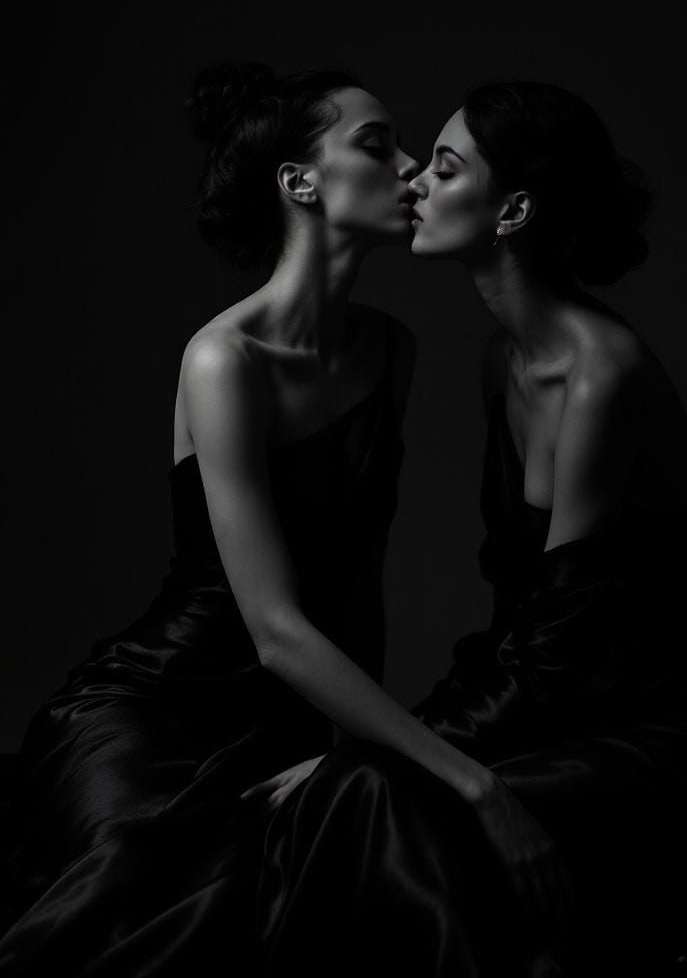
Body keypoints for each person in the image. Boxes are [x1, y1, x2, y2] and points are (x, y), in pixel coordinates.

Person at [0, 65, 547, 977]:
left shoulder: (389, 349)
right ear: (300, 183)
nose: (414, 168)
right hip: (153, 707)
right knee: (141, 894)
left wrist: (345, 754)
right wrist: (470, 779)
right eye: (379, 146)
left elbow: (357, 584)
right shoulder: (225, 359)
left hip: (283, 720)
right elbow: (277, 630)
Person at [254, 80, 687, 977]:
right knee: (378, 792)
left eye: (444, 168)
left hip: (678, 724)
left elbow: (560, 644)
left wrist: (388, 751)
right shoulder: (505, 359)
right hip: (569, 701)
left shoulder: (599, 373)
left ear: (513, 210)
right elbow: (520, 628)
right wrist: (396, 746)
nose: (414, 182)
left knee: (388, 801)